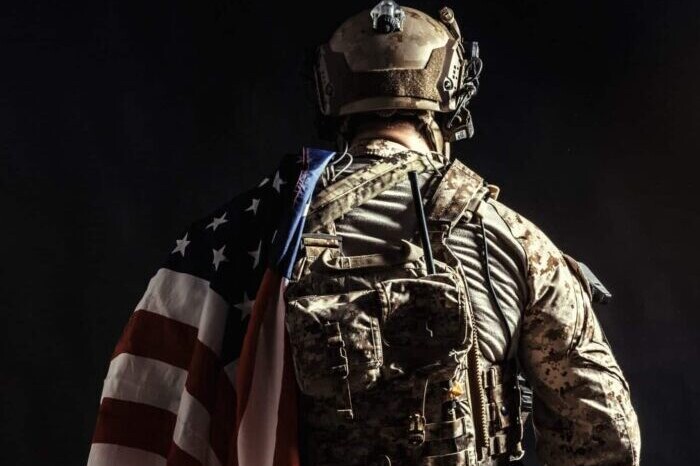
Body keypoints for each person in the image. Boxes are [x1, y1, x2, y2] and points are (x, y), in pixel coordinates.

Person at [88, 2, 641, 466]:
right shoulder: (510, 237)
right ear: (448, 96)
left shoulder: (258, 230)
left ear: (333, 97)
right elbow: (604, 433)